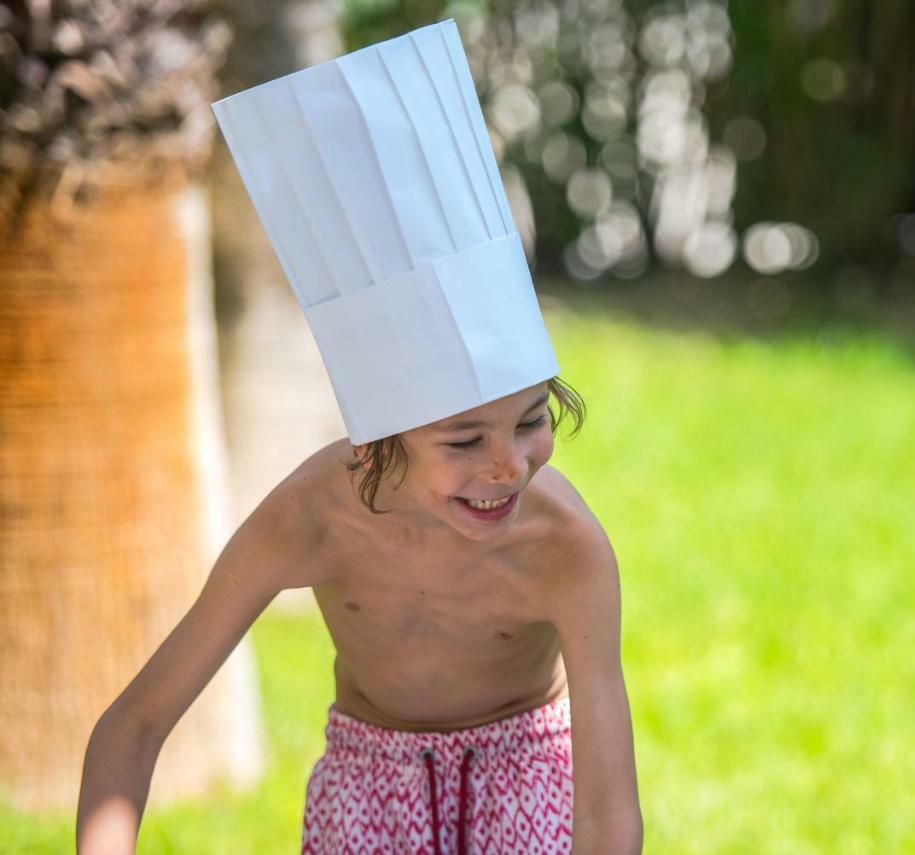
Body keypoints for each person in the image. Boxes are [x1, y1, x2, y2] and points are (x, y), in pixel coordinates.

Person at [77, 20, 642, 855]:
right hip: (367, 795)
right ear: (378, 439)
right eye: (461, 439)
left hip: (531, 785)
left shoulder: (567, 547)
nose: (507, 464)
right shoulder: (311, 517)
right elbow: (136, 721)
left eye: (532, 419)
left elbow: (606, 815)